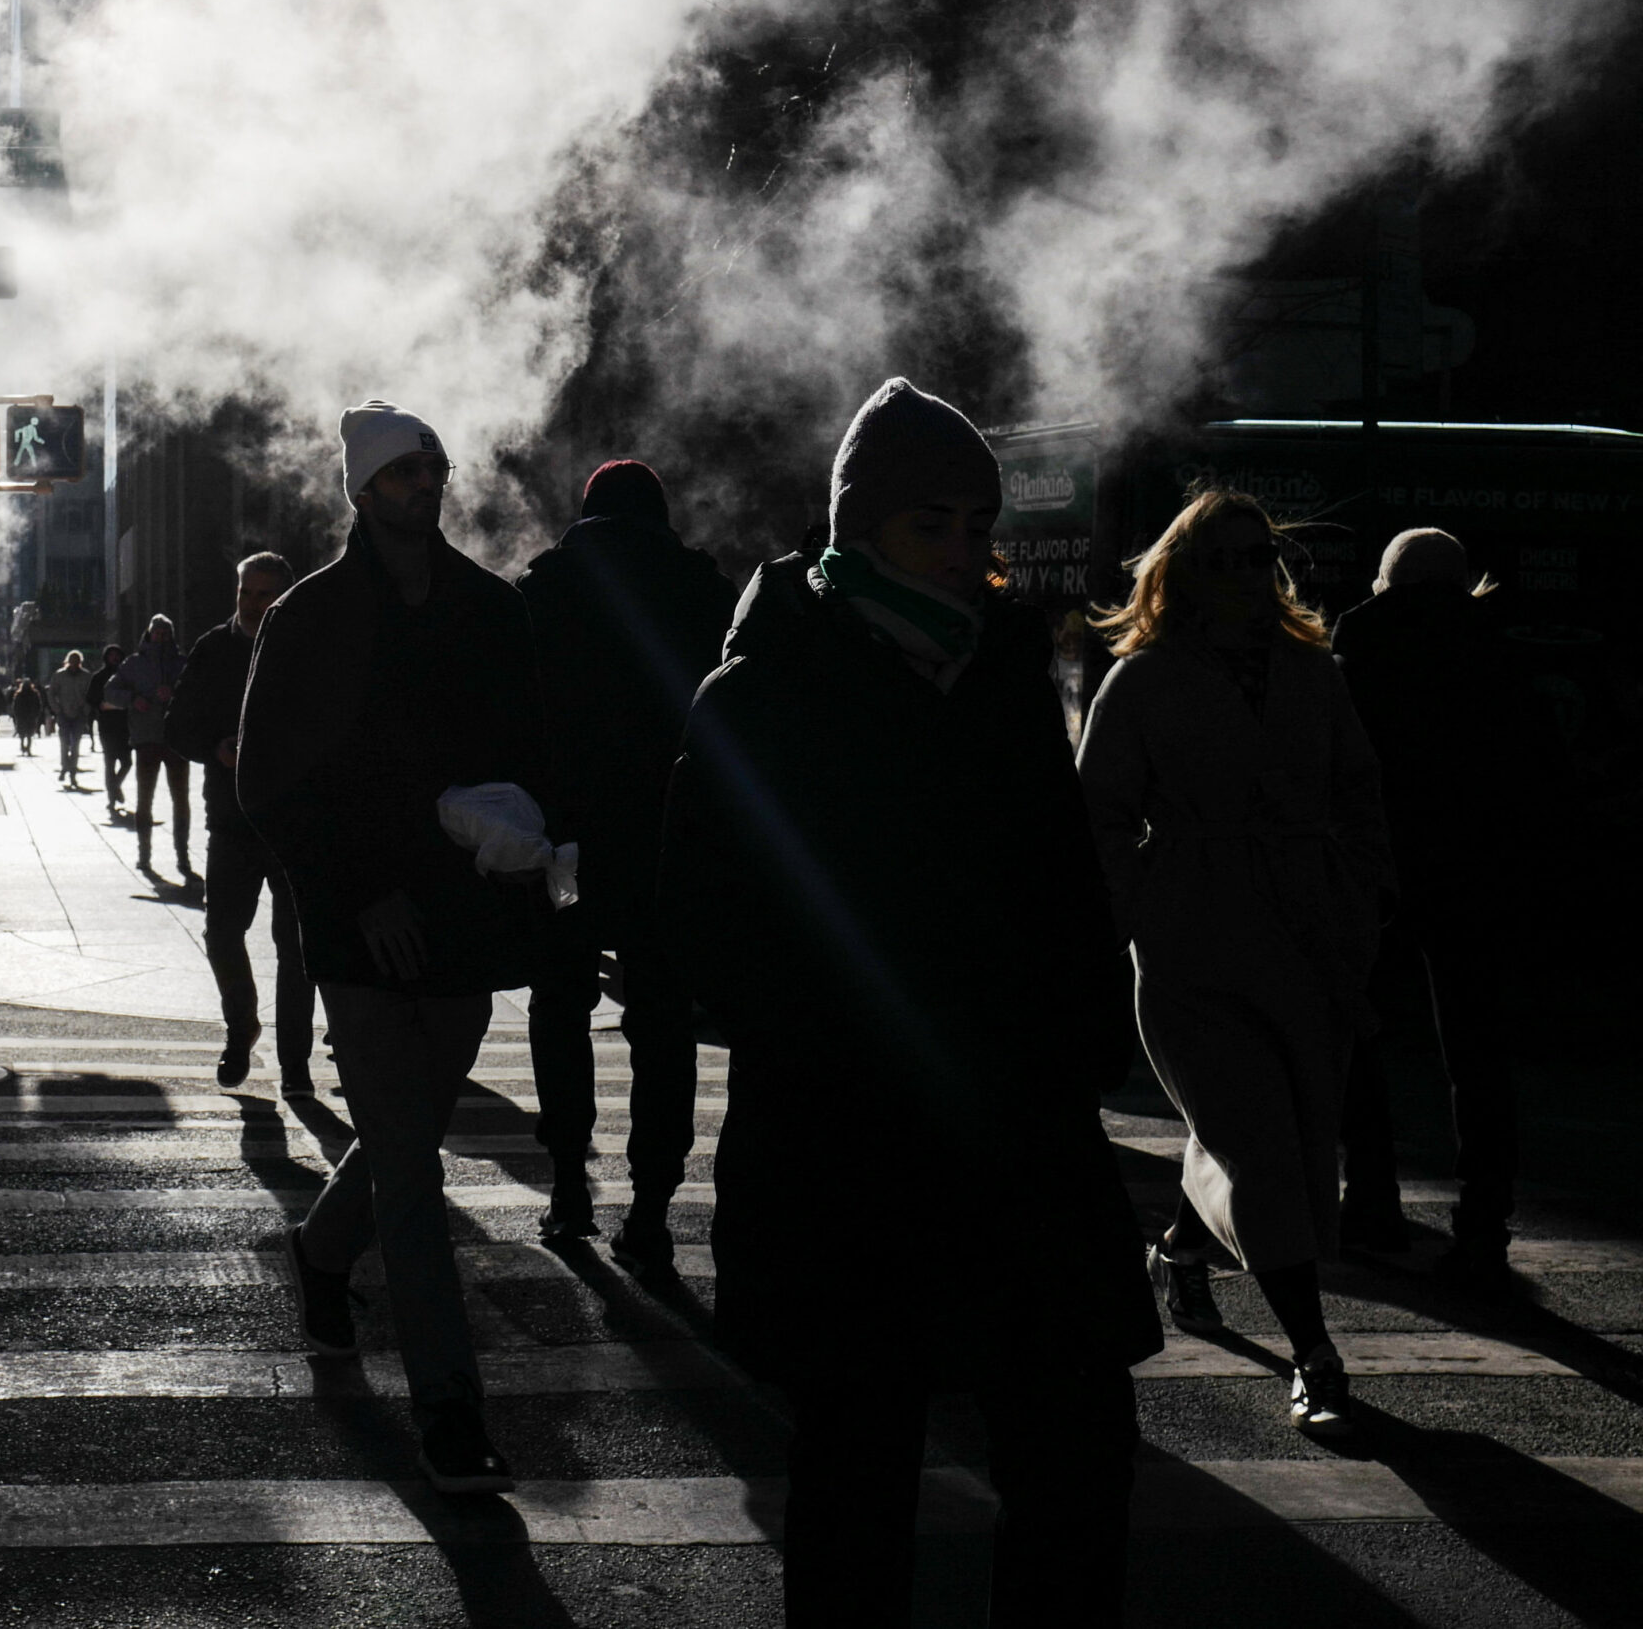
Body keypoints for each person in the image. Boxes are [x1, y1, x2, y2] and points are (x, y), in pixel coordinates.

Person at [661, 378, 1160, 1624]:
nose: (962, 553)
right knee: (855, 1470)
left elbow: (1063, 879)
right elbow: (701, 928)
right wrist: (843, 1020)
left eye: (977, 527)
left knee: (1075, 1449)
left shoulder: (1002, 677)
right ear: (858, 527)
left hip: (1018, 1131)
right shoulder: (760, 692)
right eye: (930, 524)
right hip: (846, 1147)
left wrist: (1083, 1036)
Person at [239, 400, 549, 1497]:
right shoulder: (312, 615)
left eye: (437, 465)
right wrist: (358, 891)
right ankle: (450, 1412)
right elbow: (268, 782)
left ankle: (323, 1254)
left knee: (405, 1133)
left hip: (463, 921)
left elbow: (533, 747)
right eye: (410, 469)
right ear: (363, 490)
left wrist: (526, 829)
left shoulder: (489, 610)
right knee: (413, 1171)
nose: (432, 480)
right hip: (365, 936)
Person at [1080, 486, 1393, 1434]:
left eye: (1258, 556)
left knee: (1288, 1136)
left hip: (1307, 937)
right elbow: (1099, 814)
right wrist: (1129, 914)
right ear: (1180, 574)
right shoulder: (1139, 681)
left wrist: (1361, 895)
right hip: (1193, 945)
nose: (1244, 575)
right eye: (1220, 558)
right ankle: (1315, 1353)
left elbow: (1360, 788)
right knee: (1258, 1142)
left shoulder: (1313, 670)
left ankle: (1181, 1246)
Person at [515, 458, 737, 1271]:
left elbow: (515, 716)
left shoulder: (545, 587)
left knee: (560, 1005)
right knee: (661, 1021)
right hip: (665, 845)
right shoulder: (705, 591)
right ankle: (651, 1204)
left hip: (565, 842)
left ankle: (569, 1182)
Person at [1334, 528, 1540, 1284]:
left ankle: (1374, 1198)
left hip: (1380, 863)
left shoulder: (1360, 635)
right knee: (1477, 1052)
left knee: (1359, 1030)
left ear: (1388, 579)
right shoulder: (1501, 645)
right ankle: (1483, 1223)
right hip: (1475, 871)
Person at [169, 553, 317, 1094]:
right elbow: (177, 726)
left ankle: (295, 1064)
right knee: (222, 932)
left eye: (265, 596)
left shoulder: (306, 648)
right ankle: (242, 1025)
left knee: (295, 946)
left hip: (291, 821)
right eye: (246, 595)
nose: (254, 605)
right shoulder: (213, 649)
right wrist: (217, 748)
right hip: (231, 820)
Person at [117, 616, 192, 879]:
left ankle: (183, 856)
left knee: (181, 799)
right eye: (156, 633)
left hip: (176, 739)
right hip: (146, 738)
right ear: (149, 634)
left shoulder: (183, 663)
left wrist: (175, 695)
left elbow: (197, 692)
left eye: (165, 633)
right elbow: (110, 691)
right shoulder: (134, 664)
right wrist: (134, 699)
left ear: (171, 635)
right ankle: (143, 854)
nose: (160, 637)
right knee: (144, 799)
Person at [89, 643, 132, 822]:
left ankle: (115, 787)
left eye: (117, 655)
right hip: (107, 724)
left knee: (127, 762)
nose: (115, 658)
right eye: (111, 655)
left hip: (125, 725)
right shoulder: (99, 677)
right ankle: (112, 798)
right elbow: (91, 697)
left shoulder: (127, 675)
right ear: (106, 658)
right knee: (110, 762)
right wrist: (101, 706)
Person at [46, 650, 93, 788]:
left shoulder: (86, 676)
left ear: (80, 662)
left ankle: (72, 771)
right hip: (63, 714)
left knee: (76, 744)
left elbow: (91, 694)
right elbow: (51, 693)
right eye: (72, 660)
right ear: (68, 661)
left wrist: (86, 709)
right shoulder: (59, 675)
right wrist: (57, 709)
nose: (74, 663)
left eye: (77, 661)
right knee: (64, 742)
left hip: (79, 714)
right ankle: (65, 766)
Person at [10, 676, 45, 755]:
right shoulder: (34, 694)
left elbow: (15, 706)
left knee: (22, 734)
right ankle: (28, 749)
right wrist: (37, 714)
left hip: (22, 716)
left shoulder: (19, 694)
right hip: (30, 716)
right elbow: (38, 705)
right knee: (29, 734)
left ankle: (23, 747)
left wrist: (16, 715)